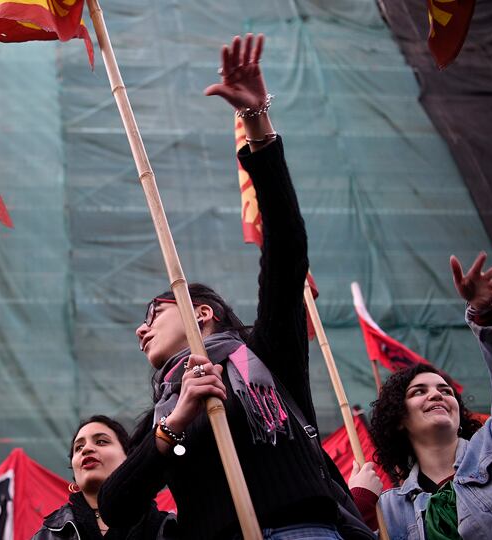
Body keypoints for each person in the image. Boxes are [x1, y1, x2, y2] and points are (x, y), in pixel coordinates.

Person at [98, 35, 370, 540]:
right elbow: (116, 505)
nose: (141, 329)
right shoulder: (166, 412)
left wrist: (257, 125)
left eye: (154, 313)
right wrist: (177, 423)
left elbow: (286, 247)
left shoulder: (267, 355)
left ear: (202, 313)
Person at [368, 252, 492, 539]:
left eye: (445, 391)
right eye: (419, 391)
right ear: (398, 418)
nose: (437, 395)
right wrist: (359, 504)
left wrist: (488, 316)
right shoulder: (387, 509)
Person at [33, 415, 176, 540]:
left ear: (129, 458)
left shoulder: (169, 529)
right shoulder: (48, 534)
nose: (86, 449)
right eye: (79, 447)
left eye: (101, 441)